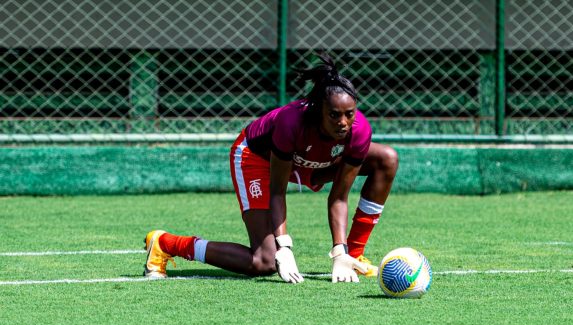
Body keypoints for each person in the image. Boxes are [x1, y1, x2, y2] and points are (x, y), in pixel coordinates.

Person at [143, 53, 398, 284]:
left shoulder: (359, 131)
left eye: (349, 114)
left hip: (311, 162)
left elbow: (339, 197)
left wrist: (340, 251)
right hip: (256, 159)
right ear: (319, 109)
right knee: (264, 261)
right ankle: (166, 244)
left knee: (386, 158)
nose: (343, 122)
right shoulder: (291, 123)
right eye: (334, 115)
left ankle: (354, 255)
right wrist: (283, 246)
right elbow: (277, 191)